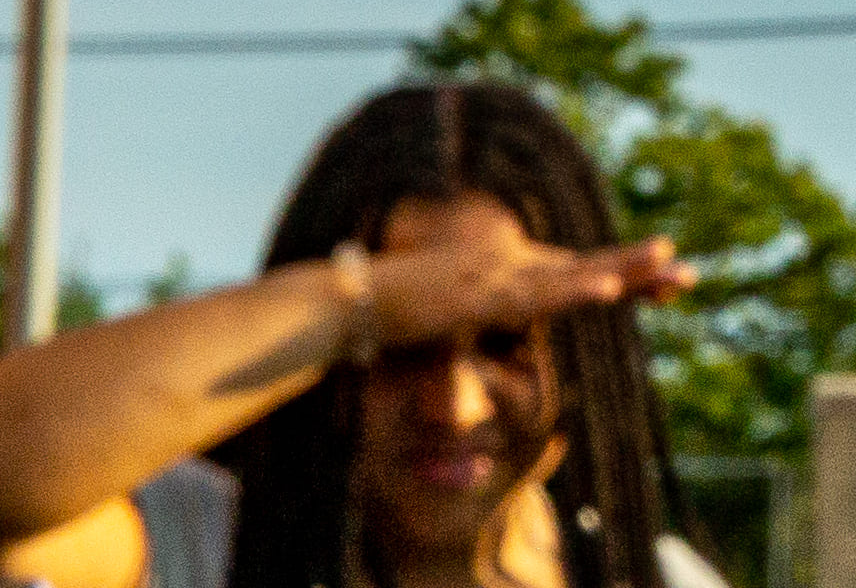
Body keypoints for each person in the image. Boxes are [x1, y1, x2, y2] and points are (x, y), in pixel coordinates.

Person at [0, 79, 707, 588]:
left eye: (503, 341)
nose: (454, 407)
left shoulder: (657, 577)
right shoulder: (196, 540)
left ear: (581, 352)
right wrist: (355, 300)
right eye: (400, 347)